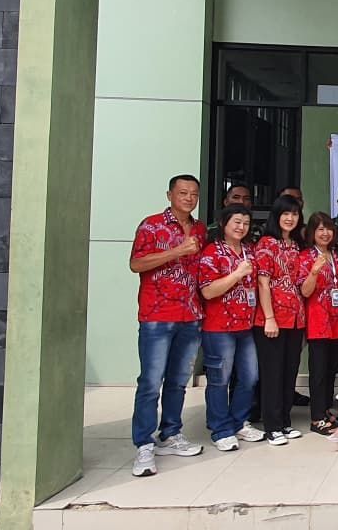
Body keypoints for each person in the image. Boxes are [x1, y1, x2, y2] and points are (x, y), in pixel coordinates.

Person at [128, 174, 207, 477]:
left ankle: (170, 433)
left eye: (194, 194)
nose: (189, 198)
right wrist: (176, 252)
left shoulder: (200, 229)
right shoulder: (151, 225)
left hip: (190, 314)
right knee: (150, 382)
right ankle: (143, 444)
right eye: (183, 193)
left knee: (178, 381)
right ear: (169, 195)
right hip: (157, 316)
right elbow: (136, 264)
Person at [197, 204, 264, 451]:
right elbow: (207, 291)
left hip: (246, 325)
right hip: (219, 327)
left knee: (249, 377)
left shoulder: (250, 251)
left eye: (245, 223)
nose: (241, 227)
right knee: (219, 379)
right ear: (223, 223)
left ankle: (239, 422)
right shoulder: (212, 252)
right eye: (236, 222)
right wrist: (236, 274)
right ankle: (220, 429)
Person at [253, 195, 307, 445]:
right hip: (273, 319)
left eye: (294, 214)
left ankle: (285, 421)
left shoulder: (296, 245)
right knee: (272, 374)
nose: (290, 218)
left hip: (295, 318)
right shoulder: (266, 244)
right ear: (276, 216)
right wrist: (269, 318)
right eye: (286, 213)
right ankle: (272, 426)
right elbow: (263, 284)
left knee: (289, 372)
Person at [297, 212, 338, 435]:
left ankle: (326, 411)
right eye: (320, 229)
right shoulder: (305, 257)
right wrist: (314, 271)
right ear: (312, 233)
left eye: (328, 228)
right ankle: (316, 418)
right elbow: (305, 291)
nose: (325, 233)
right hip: (318, 320)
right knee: (319, 370)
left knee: (332, 369)